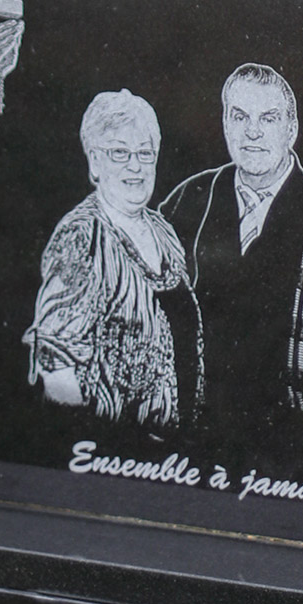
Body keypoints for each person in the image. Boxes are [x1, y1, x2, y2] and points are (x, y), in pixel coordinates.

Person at [159, 63, 303, 468]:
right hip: (192, 451)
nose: (252, 132)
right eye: (240, 117)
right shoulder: (189, 201)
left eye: (268, 119)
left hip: (295, 461)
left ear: (291, 129)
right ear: (225, 124)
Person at [23, 90, 203, 432]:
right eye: (119, 152)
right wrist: (99, 445)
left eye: (145, 153)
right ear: (94, 160)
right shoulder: (82, 236)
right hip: (112, 447)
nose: (135, 166)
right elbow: (56, 365)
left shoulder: (162, 231)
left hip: (174, 443)